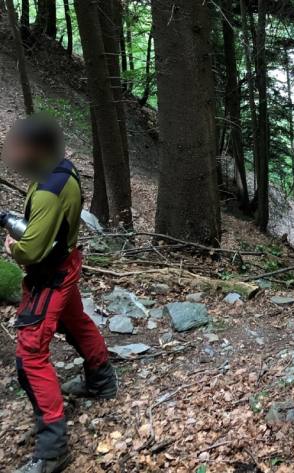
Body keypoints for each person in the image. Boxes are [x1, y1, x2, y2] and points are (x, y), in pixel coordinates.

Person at [2, 116, 117, 473]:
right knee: (76, 320)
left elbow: (33, 248)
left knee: (31, 354)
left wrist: (12, 248)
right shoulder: (62, 171)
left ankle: (53, 452)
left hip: (50, 273)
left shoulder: (52, 188)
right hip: (66, 263)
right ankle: (101, 381)